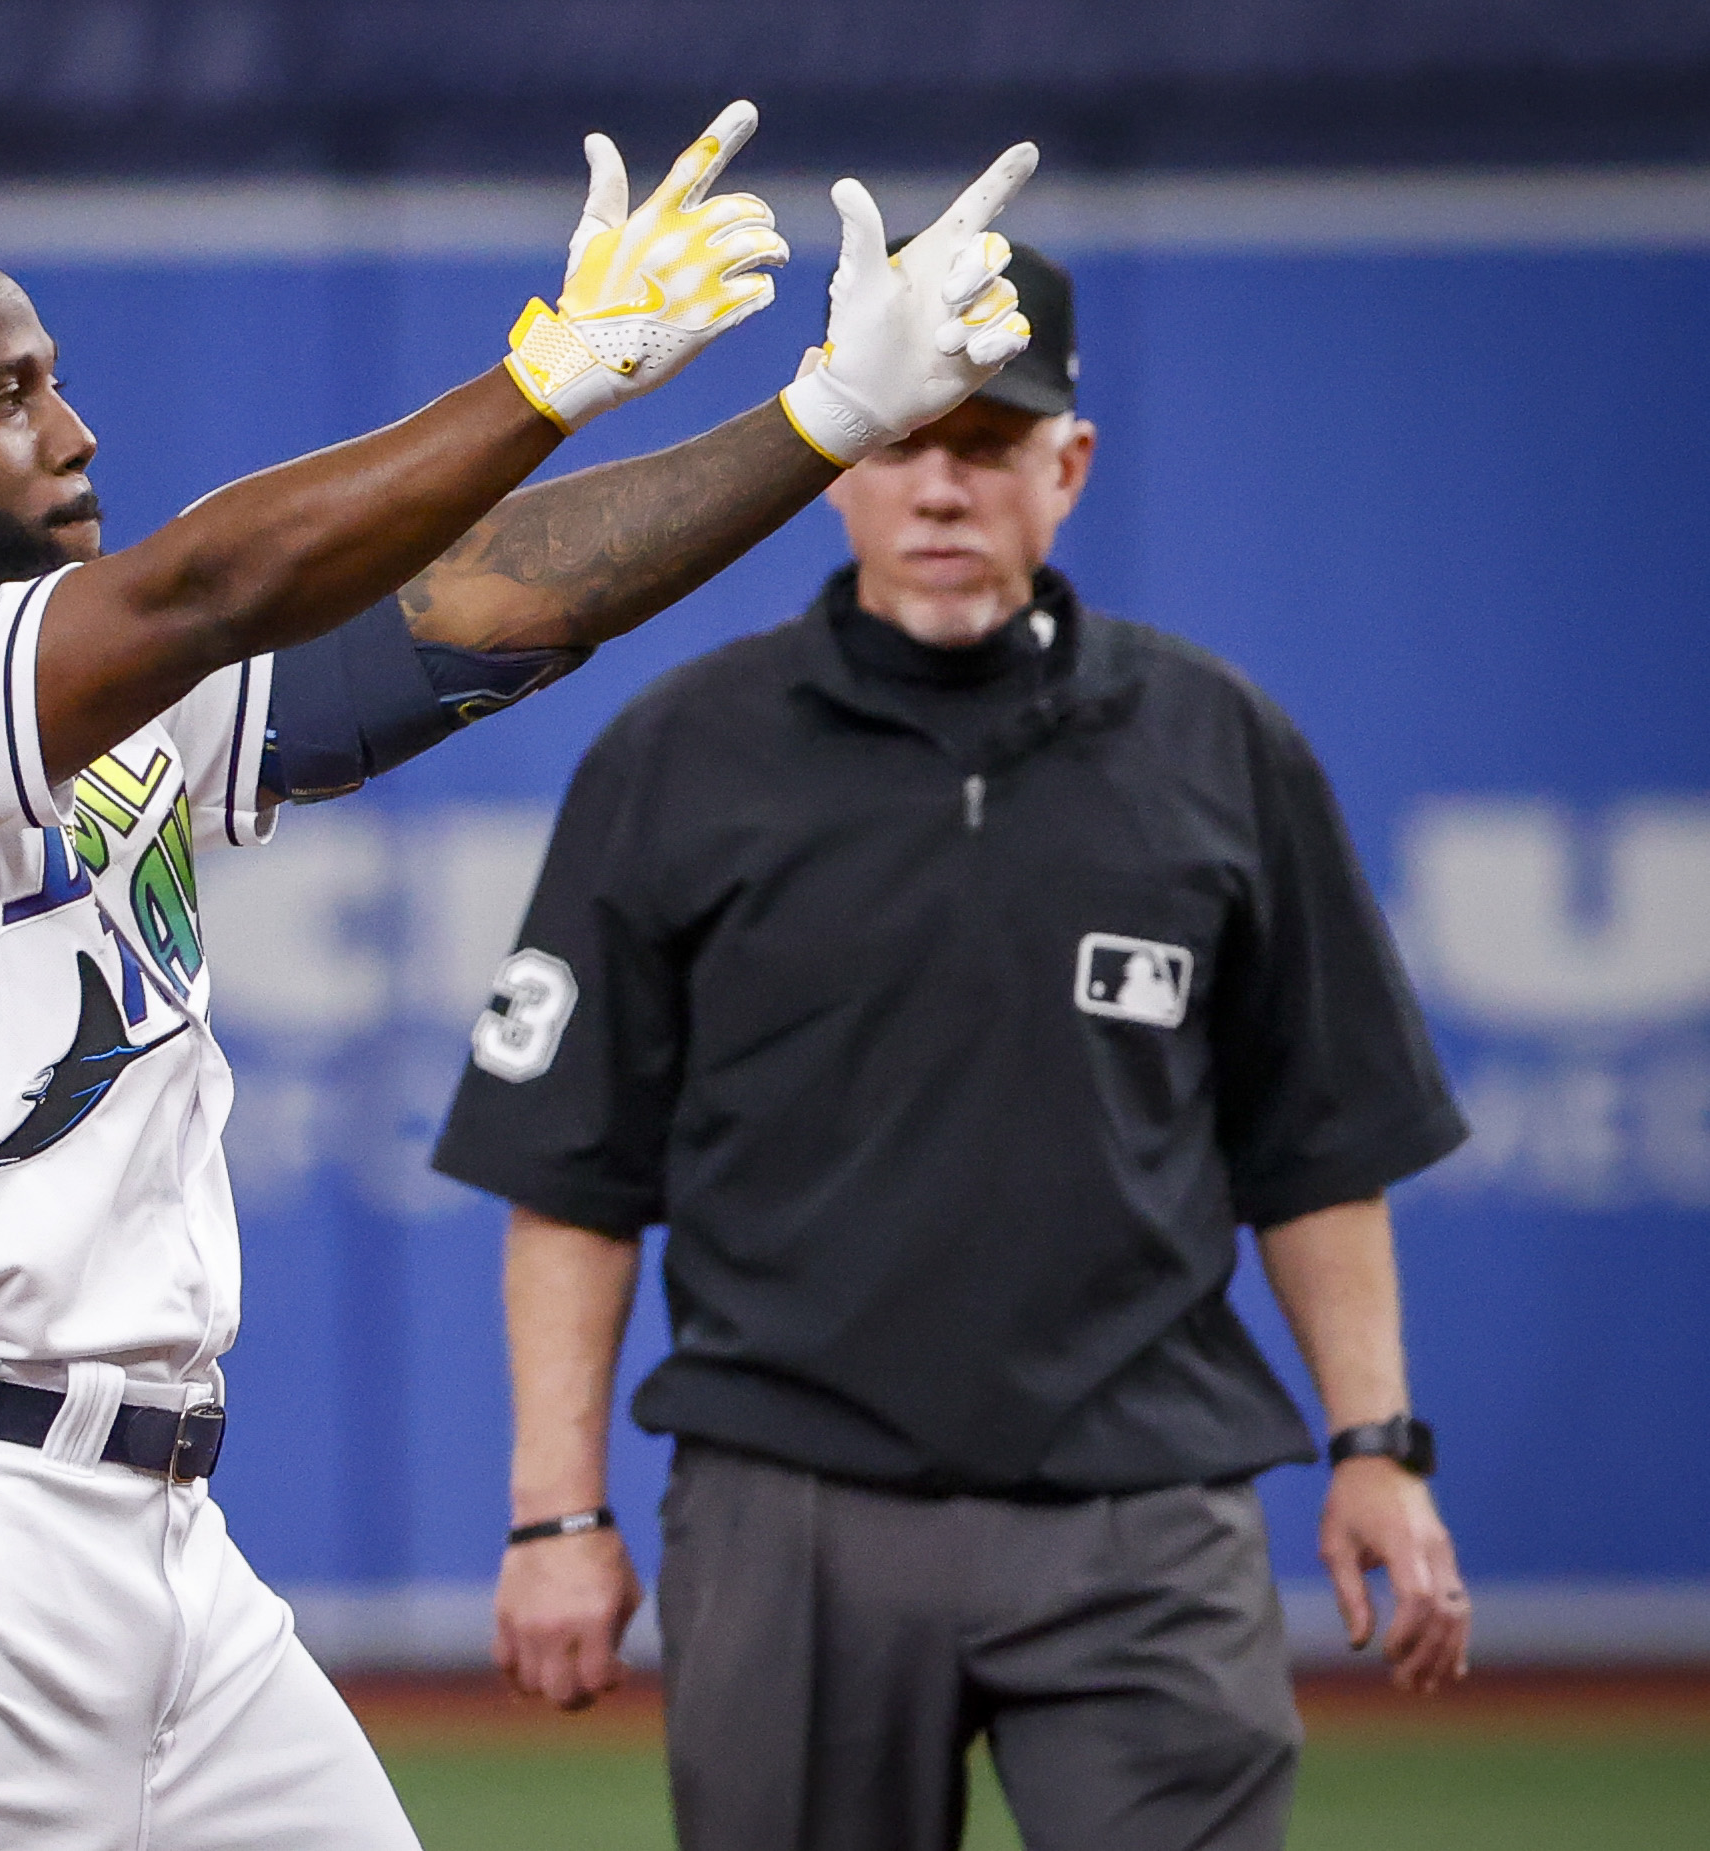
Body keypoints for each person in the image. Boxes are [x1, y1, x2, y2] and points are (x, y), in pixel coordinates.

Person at [0, 100, 1043, 1851]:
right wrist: (546, 378)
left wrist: (824, 420)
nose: (73, 430)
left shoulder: (71, 701)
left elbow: (452, 625)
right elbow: (214, 584)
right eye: (5, 398)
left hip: (164, 1551)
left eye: (55, 377)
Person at [432, 240, 1476, 1851]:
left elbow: (1321, 1141)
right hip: (794, 1505)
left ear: (1070, 467)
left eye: (986, 448)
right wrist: (553, 1512)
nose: (939, 492)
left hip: (1145, 1511)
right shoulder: (681, 754)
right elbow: (569, 1171)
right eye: (901, 443)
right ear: (834, 467)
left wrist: (1379, 1450)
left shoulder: (1218, 745)